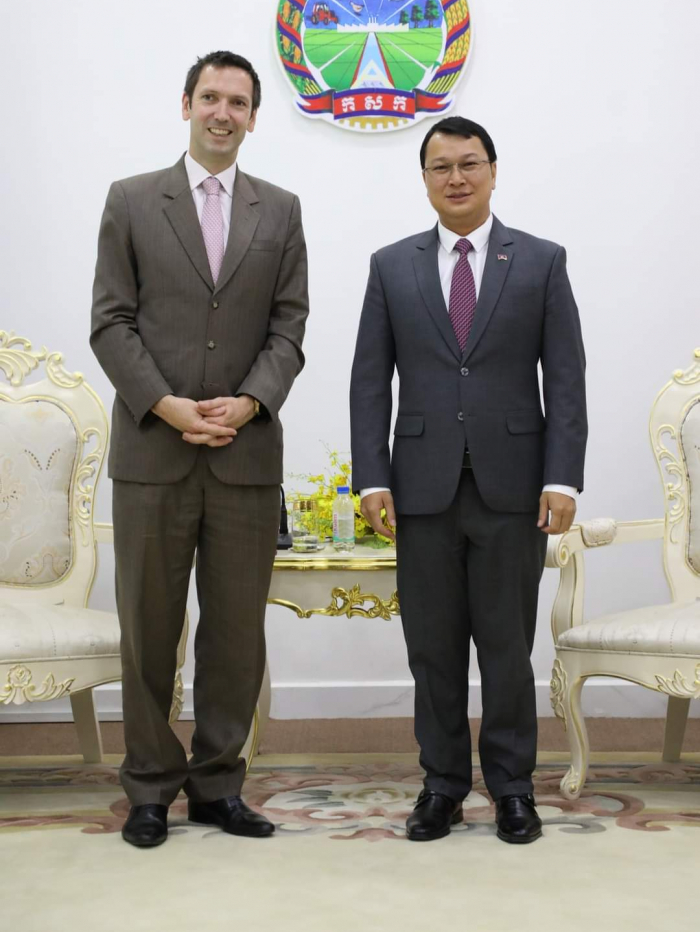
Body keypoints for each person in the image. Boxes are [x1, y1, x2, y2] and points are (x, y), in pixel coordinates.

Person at [91, 50, 308, 848]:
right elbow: (110, 320)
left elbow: (289, 326)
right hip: (153, 453)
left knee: (235, 635)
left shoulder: (280, 210)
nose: (223, 112)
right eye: (210, 97)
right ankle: (149, 786)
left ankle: (219, 785)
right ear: (186, 104)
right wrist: (167, 404)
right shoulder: (131, 200)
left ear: (253, 116)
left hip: (246, 459)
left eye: (238, 102)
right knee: (148, 631)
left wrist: (249, 402)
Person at [349, 116, 586, 844]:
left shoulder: (540, 261)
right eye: (441, 167)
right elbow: (370, 381)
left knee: (508, 648)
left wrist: (563, 478)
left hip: (514, 489)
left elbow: (566, 379)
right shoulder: (391, 265)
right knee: (433, 649)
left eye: (469, 163)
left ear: (492, 171)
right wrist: (371, 477)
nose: (456, 178)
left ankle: (513, 788)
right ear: (424, 178)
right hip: (420, 490)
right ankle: (443, 786)